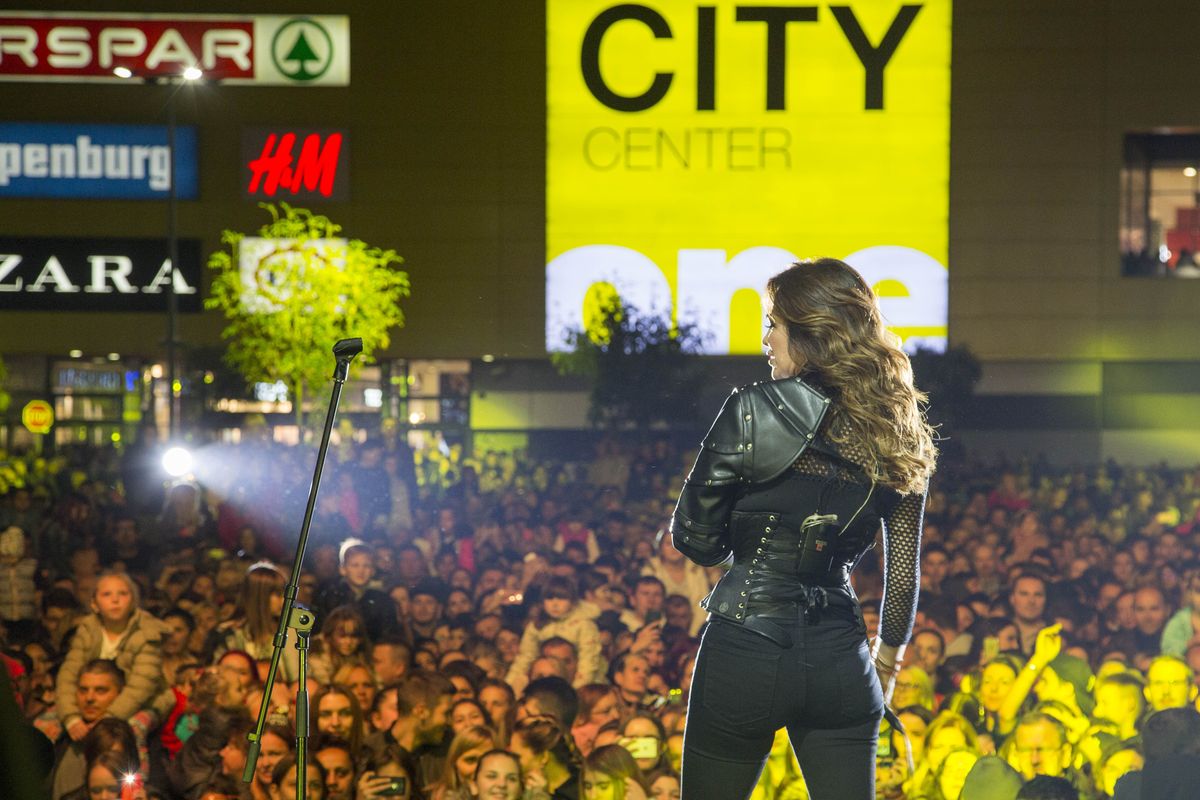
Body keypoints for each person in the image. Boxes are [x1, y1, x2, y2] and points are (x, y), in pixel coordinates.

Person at [669, 258, 936, 798]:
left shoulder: (751, 409)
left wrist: (742, 537)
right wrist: (883, 669)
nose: (766, 338)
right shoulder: (899, 427)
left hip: (745, 647)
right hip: (843, 661)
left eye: (773, 323)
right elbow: (902, 583)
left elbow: (694, 540)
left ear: (810, 333)